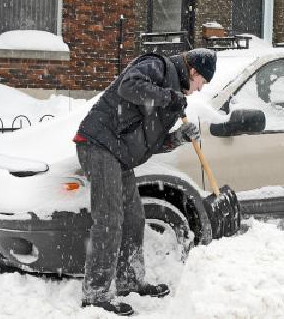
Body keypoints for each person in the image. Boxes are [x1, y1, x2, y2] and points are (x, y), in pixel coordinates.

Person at [73, 48, 217, 316]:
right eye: (202, 83)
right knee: (109, 219)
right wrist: (169, 97)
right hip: (98, 144)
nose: (198, 90)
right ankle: (96, 293)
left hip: (119, 155)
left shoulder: (173, 99)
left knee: (134, 219)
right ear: (194, 71)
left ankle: (130, 279)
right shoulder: (158, 66)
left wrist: (178, 138)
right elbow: (129, 86)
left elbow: (151, 143)